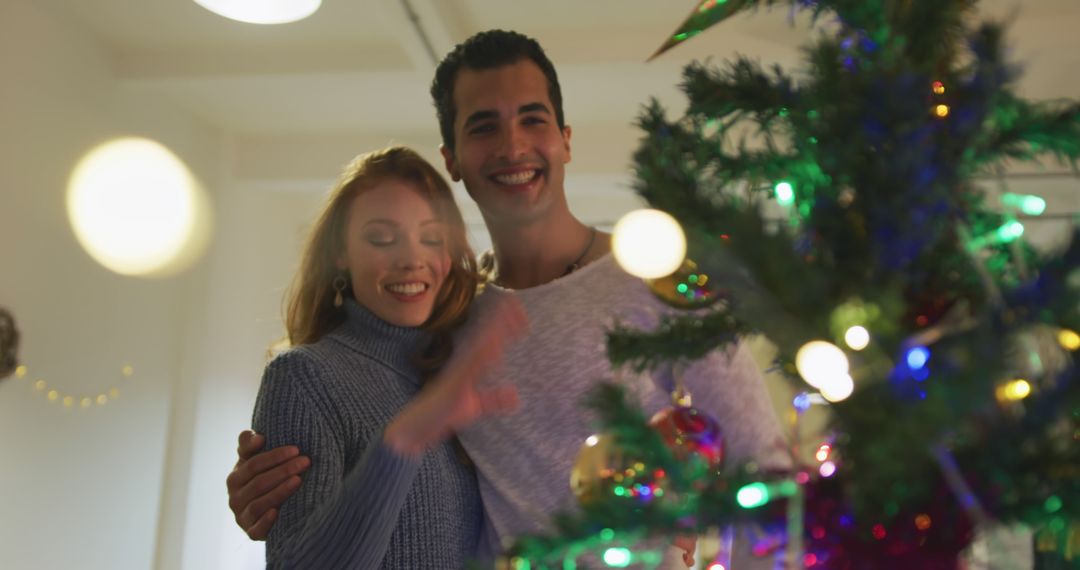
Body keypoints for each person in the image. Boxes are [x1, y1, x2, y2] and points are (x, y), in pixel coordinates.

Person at [228, 30, 788, 568]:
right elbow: (374, 435)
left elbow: (763, 468)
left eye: (532, 119)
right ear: (452, 158)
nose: (513, 145)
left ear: (564, 138)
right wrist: (266, 485)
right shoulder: (448, 318)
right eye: (484, 127)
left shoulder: (656, 277)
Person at [247, 145, 526, 569]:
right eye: (381, 238)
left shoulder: (458, 369)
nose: (412, 259)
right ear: (340, 252)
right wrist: (401, 443)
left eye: (431, 238)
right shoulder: (305, 377)